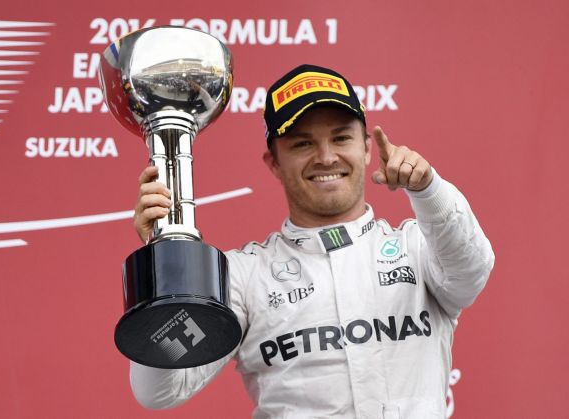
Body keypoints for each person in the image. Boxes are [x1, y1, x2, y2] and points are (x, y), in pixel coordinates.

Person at [129, 64, 495, 418]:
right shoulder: (242, 276)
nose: (326, 157)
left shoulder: (416, 248)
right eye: (303, 144)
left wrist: (429, 190)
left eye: (341, 138)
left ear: (367, 148)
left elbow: (472, 271)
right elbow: (161, 390)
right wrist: (164, 259)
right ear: (273, 162)